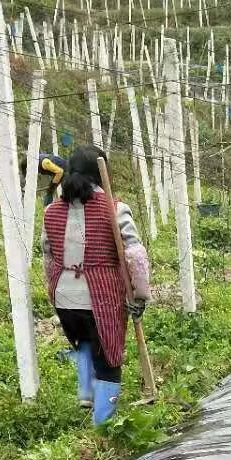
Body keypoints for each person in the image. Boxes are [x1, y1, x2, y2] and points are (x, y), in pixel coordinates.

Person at [41, 144, 150, 425]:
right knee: (109, 360)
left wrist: (53, 290)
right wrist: (140, 295)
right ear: (102, 173)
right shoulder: (115, 209)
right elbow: (135, 255)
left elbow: (48, 255)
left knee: (85, 341)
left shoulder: (52, 211)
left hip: (64, 297)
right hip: (100, 298)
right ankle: (102, 424)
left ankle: (86, 393)